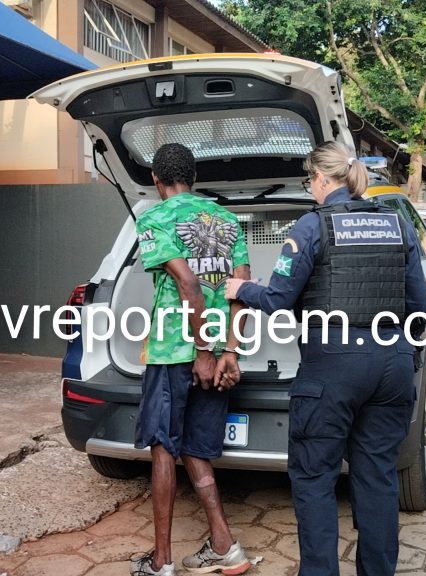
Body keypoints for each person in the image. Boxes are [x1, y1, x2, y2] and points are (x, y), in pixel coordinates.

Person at [224, 141, 426, 576]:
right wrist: (404, 355)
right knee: (377, 479)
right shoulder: (396, 223)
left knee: (315, 479)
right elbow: (421, 307)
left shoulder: (311, 226)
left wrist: (240, 290)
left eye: (309, 181)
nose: (310, 188)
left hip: (333, 369)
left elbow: (280, 300)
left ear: (321, 179)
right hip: (391, 364)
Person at [130, 143, 254, 576]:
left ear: (155, 179)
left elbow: (188, 285)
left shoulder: (156, 217)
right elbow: (241, 289)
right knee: (197, 448)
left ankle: (161, 562)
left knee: (164, 447)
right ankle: (225, 545)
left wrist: (202, 351)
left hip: (175, 350)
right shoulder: (227, 218)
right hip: (219, 350)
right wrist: (229, 352)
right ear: (195, 177)